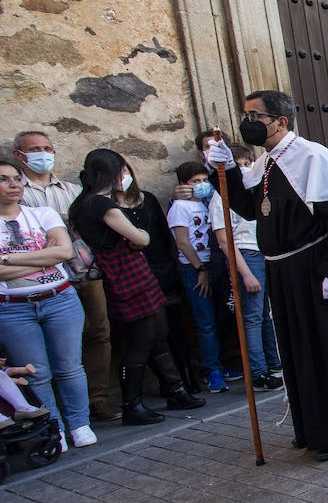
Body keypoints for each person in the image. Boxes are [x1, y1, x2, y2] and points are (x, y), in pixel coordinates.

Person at [207, 90, 328, 461]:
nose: (248, 123)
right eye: (246, 115)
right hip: (282, 269)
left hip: (314, 268)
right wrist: (221, 171)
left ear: (280, 121)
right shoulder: (268, 163)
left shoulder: (312, 156)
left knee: (324, 349)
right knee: (298, 352)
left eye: (254, 116)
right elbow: (248, 208)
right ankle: (312, 427)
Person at [70, 150, 199, 426]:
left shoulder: (81, 204)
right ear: (114, 173)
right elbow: (140, 238)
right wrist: (141, 236)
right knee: (142, 339)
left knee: (157, 332)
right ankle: (132, 404)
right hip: (126, 269)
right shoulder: (102, 206)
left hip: (119, 269)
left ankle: (176, 390)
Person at [13, 131, 116, 421]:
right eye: (35, 149)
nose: (43, 154)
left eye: (47, 148)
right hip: (38, 278)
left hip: (84, 271)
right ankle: (57, 410)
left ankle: (97, 399)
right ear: (19, 156)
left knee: (98, 333)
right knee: (47, 348)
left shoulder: (71, 191)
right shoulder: (16, 191)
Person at [0, 158, 95, 447]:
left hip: (60, 299)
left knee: (70, 367)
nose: (13, 184)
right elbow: (52, 257)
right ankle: (53, 429)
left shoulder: (43, 214)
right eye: (3, 179)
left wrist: (6, 259)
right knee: (36, 372)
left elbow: (65, 252)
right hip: (12, 307)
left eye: (16, 178)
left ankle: (80, 424)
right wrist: (43, 259)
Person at [210, 146, 283, 391]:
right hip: (247, 256)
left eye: (246, 163)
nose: (242, 168)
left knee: (267, 316)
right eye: (236, 164)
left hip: (264, 252)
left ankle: (275, 365)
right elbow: (224, 240)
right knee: (252, 317)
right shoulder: (220, 197)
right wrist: (245, 272)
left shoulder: (255, 190)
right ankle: (258, 371)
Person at [168, 162, 230, 394]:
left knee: (219, 318)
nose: (201, 185)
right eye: (195, 181)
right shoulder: (179, 207)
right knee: (205, 322)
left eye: (205, 180)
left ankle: (221, 365)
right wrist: (200, 269)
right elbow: (182, 242)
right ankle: (211, 371)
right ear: (184, 184)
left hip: (214, 264)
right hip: (195, 269)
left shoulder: (207, 203)